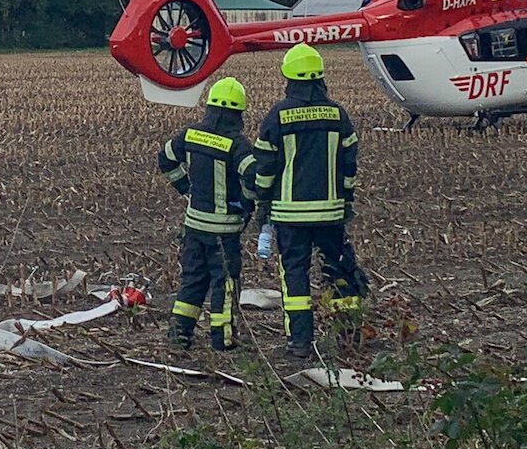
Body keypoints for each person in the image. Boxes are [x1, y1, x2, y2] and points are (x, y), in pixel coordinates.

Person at [253, 44, 369, 359]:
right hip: (331, 213)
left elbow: (265, 166)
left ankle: (300, 342)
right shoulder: (338, 114)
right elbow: (350, 165)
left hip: (289, 215)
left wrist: (262, 201)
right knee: (339, 270)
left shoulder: (278, 116)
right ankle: (349, 336)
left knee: (295, 275)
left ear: (289, 77)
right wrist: (346, 199)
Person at [157, 77, 258, 351]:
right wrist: (247, 204)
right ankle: (222, 338)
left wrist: (185, 188)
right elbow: (252, 176)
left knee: (193, 279)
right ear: (238, 113)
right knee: (225, 283)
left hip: (194, 226)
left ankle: (179, 333)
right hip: (223, 230)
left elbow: (165, 158)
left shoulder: (190, 134)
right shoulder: (237, 144)